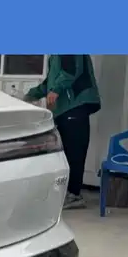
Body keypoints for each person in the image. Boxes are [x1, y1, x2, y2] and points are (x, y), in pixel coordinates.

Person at [24, 55, 101, 210]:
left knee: (74, 151)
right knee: (62, 153)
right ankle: (64, 192)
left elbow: (71, 71)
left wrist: (56, 90)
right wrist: (31, 95)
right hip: (63, 109)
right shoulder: (54, 55)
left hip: (75, 105)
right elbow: (50, 83)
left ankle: (73, 195)